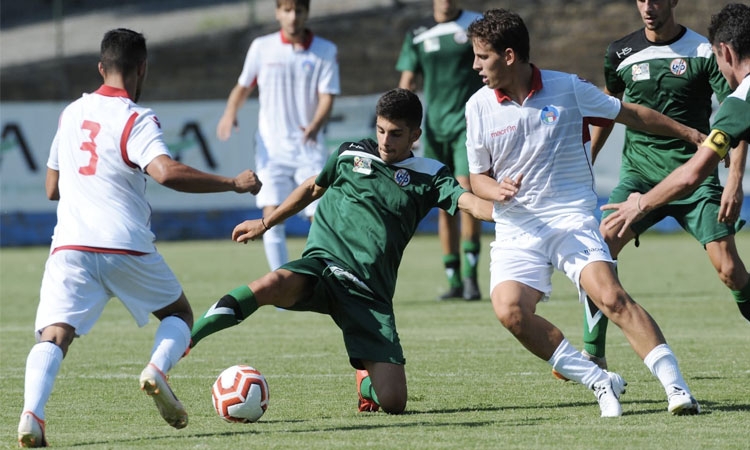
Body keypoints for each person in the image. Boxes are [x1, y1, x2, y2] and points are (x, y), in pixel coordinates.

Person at [16, 28, 262, 448]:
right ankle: (157, 370)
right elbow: (164, 172)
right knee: (179, 315)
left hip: (70, 246)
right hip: (122, 243)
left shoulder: (71, 113)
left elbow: (52, 188)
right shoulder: (135, 117)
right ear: (142, 68)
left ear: (100, 67)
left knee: (55, 335)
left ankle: (31, 415)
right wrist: (233, 183)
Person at [190, 88, 493, 414]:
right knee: (270, 284)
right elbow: (312, 187)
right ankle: (189, 338)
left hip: (369, 293)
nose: (385, 140)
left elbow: (468, 202)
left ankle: (365, 379)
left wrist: (504, 214)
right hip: (322, 267)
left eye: (396, 134)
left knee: (393, 403)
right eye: (380, 130)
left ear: (415, 135)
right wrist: (265, 223)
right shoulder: (350, 153)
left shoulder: (430, 174)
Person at [465, 9, 702, 417]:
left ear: (508, 56)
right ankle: (598, 380)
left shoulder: (567, 88)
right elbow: (477, 177)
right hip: (518, 226)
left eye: (481, 56)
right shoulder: (477, 107)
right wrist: (496, 190)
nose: (474, 66)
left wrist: (692, 134)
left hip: (569, 217)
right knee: (509, 311)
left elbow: (633, 114)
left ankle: (677, 389)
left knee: (610, 295)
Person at [570, 0, 750, 377]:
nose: (648, 6)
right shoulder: (620, 52)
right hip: (639, 175)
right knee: (599, 250)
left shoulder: (704, 50)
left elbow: (737, 109)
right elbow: (609, 109)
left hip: (693, 177)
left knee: (730, 270)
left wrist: (734, 181)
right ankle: (592, 354)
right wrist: (585, 164)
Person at [216, 0, 340, 273]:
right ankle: (281, 283)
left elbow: (327, 96)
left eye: (298, 10)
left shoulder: (325, 50)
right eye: (287, 10)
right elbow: (243, 86)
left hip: (309, 148)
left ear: (307, 13)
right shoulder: (262, 47)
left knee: (319, 216)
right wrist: (229, 112)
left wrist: (315, 124)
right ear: (277, 13)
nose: (293, 16)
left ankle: (329, 277)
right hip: (271, 149)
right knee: (271, 216)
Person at [396, 0, 484, 301]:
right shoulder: (418, 33)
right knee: (443, 202)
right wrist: (401, 124)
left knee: (465, 192)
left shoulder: (476, 24)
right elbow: (407, 82)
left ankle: (472, 278)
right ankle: (454, 278)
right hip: (433, 130)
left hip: (468, 126)